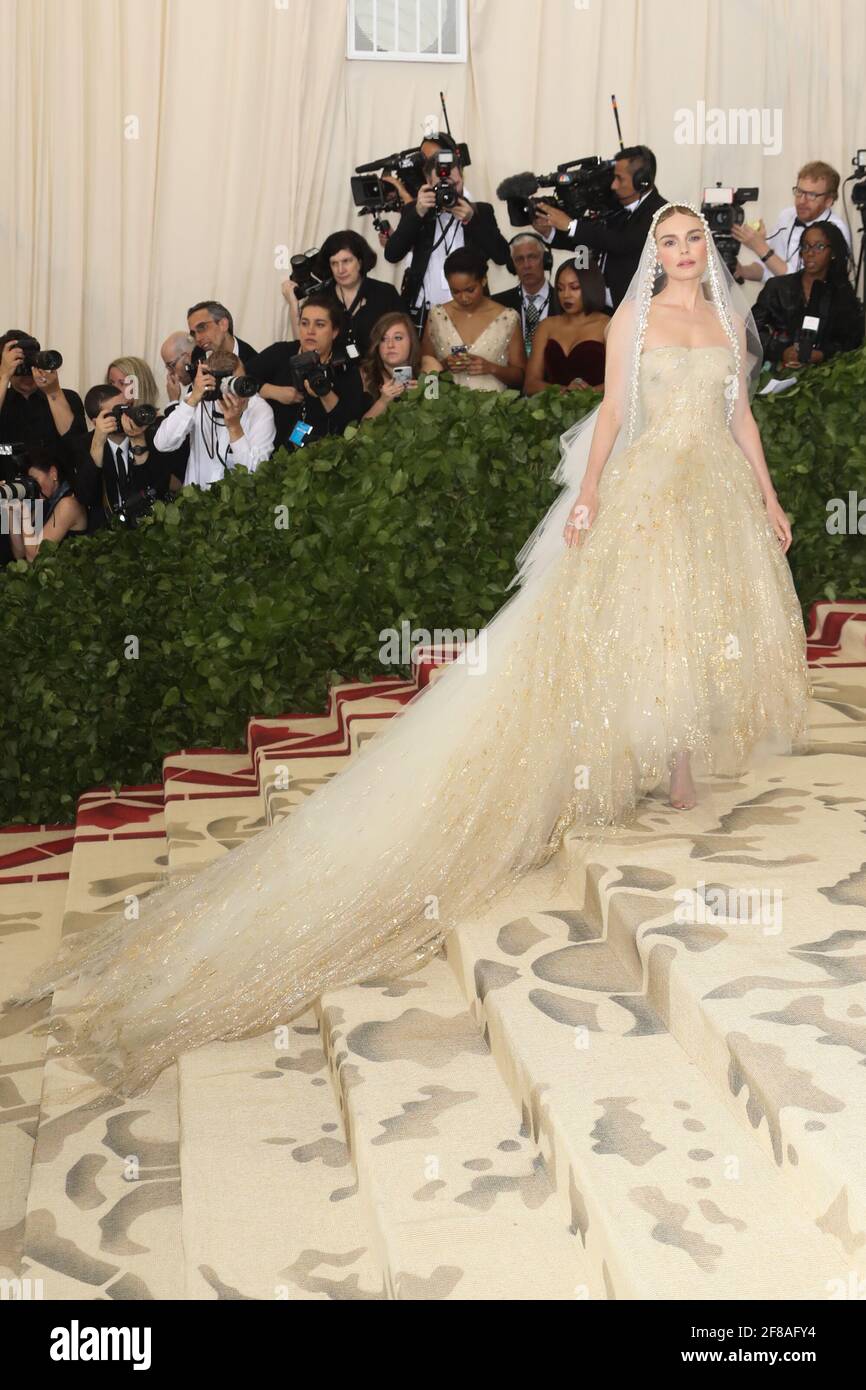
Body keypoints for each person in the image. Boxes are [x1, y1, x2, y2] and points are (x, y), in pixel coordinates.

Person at [4, 204, 811, 1099]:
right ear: (653, 253)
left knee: (695, 617)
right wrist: (586, 499)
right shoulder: (640, 318)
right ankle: (653, 751)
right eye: (669, 239)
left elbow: (741, 419)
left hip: (711, 487)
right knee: (639, 616)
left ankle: (684, 757)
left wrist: (770, 500)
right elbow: (617, 411)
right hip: (648, 484)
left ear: (709, 249)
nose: (684, 251)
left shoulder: (727, 321)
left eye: (694, 238)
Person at [383, 149, 509, 330]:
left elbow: (502, 256)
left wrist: (472, 220)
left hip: (472, 313)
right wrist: (418, 214)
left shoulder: (481, 211)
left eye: (454, 184)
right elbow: (392, 254)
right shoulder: (415, 211)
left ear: (462, 179)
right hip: (424, 313)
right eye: (441, 185)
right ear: (428, 183)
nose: (448, 191)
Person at [534, 146, 666, 309]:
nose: (613, 185)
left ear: (642, 181)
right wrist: (550, 232)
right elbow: (590, 240)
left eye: (619, 178)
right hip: (600, 309)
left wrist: (571, 225)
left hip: (633, 311)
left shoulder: (660, 212)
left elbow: (621, 243)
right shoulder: (616, 206)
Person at [246, 295, 370, 451]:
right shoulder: (281, 352)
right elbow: (242, 378)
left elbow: (349, 425)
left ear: (334, 332)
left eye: (319, 325)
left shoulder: (345, 367)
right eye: (305, 323)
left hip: (322, 460)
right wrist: (272, 391)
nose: (310, 331)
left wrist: (325, 393)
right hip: (272, 454)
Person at [152, 349, 275, 488]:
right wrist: (191, 401)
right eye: (233, 384)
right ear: (214, 384)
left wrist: (235, 429)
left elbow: (256, 473)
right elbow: (162, 443)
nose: (241, 390)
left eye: (241, 379)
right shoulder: (200, 399)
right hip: (195, 502)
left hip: (238, 505)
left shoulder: (259, 410)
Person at [73, 385, 185, 531]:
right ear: (96, 422)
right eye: (118, 411)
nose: (125, 416)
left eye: (127, 408)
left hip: (149, 528)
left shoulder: (151, 436)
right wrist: (98, 444)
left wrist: (138, 441)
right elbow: (85, 496)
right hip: (104, 531)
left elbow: (158, 489)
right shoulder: (85, 444)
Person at [752, 222, 863, 368]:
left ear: (833, 253)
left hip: (822, 378)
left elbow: (851, 341)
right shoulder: (777, 287)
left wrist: (823, 354)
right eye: (806, 246)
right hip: (775, 372)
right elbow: (750, 331)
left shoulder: (842, 294)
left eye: (819, 247)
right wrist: (781, 351)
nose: (810, 253)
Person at [282, 230, 405, 361]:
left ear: (360, 261)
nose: (340, 270)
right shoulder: (321, 297)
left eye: (346, 261)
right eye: (334, 263)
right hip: (334, 376)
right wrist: (293, 305)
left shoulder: (385, 293)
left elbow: (405, 341)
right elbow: (304, 346)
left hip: (378, 375)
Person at [421, 248, 526, 392]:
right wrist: (444, 365)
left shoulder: (507, 318)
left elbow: (520, 377)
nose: (463, 298)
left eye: (470, 290)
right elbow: (425, 371)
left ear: (483, 280)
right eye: (455, 292)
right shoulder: (437, 316)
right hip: (445, 407)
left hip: (494, 407)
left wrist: (491, 368)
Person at [732, 161, 851, 284]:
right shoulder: (787, 215)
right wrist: (743, 271)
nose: (802, 201)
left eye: (811, 195)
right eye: (799, 192)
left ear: (828, 201)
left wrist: (760, 247)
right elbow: (769, 268)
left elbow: (802, 283)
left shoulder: (835, 230)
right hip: (780, 299)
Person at [523, 260, 609, 394]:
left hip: (597, 410)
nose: (566, 295)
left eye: (574, 287)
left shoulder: (608, 325)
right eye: (560, 288)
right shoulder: (547, 326)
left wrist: (588, 394)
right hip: (553, 410)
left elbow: (623, 380)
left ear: (590, 287)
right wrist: (565, 392)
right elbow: (530, 384)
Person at [0, 330, 86, 447]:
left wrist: (54, 392)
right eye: (18, 363)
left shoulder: (68, 397)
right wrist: (4, 376)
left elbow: (76, 444)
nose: (28, 372)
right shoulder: (4, 400)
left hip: (55, 465)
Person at [3, 446, 87, 562]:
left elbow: (35, 558)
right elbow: (20, 555)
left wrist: (26, 515)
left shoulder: (69, 504)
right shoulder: (42, 502)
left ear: (53, 474)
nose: (31, 487)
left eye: (34, 480)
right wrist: (10, 512)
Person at [359, 312, 441, 421]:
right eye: (383, 339)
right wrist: (383, 402)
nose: (390, 345)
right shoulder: (365, 375)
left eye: (398, 338)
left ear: (411, 341)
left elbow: (439, 419)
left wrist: (423, 394)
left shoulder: (428, 368)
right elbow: (358, 432)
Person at [493, 233, 562, 354]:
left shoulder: (563, 302)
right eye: (519, 259)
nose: (526, 265)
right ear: (512, 265)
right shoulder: (498, 304)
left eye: (532, 257)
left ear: (545, 260)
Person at [186, 301, 256, 370]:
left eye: (202, 327)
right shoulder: (197, 355)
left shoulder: (252, 362)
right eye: (193, 333)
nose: (197, 339)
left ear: (223, 324)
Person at [160, 332, 195, 404]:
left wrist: (173, 401)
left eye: (172, 365)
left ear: (188, 357)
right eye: (168, 368)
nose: (170, 373)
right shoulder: (193, 389)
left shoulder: (207, 388)